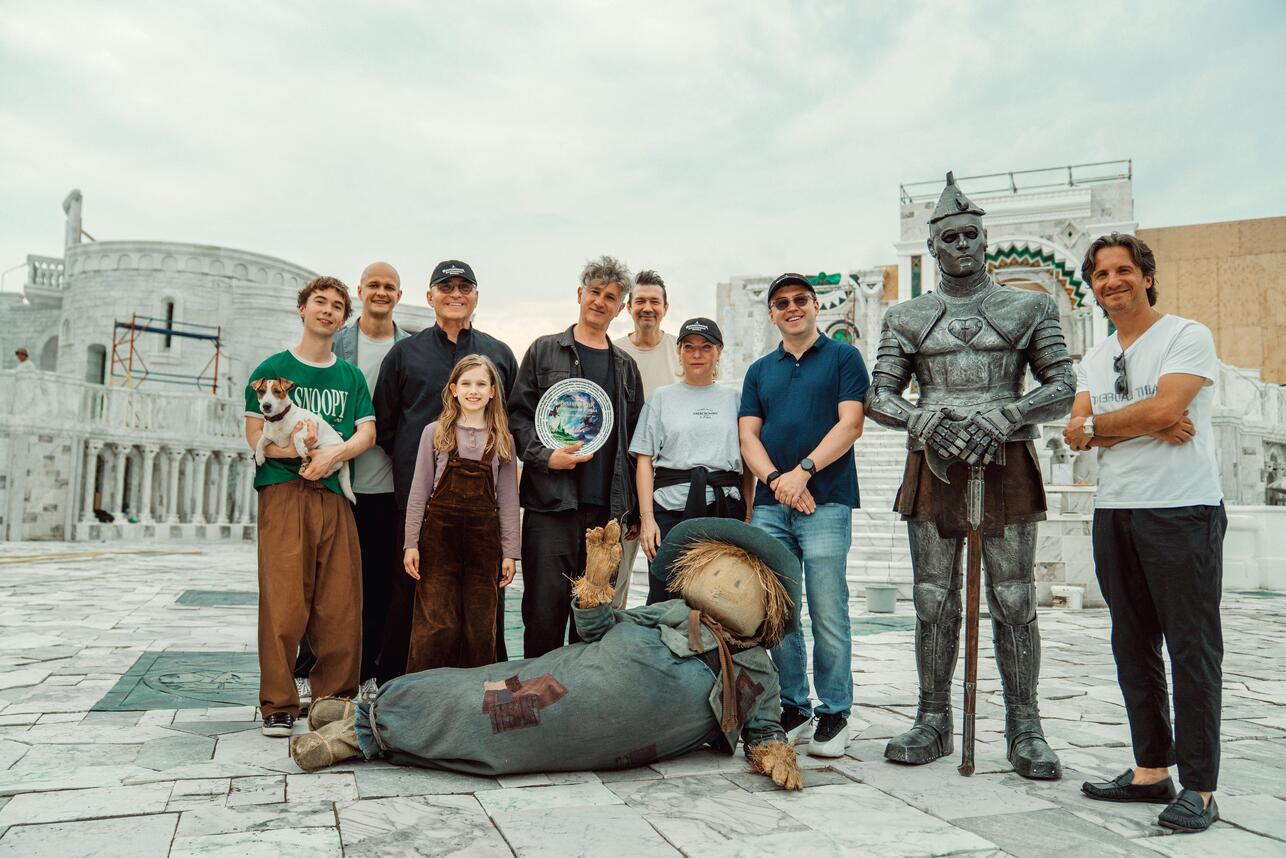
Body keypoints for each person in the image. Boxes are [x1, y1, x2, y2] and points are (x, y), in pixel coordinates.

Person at [289, 518, 805, 794]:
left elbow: (763, 729)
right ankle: (363, 720)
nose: (727, 586)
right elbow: (598, 628)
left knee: (502, 735)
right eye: (720, 573)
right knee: (485, 698)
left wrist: (774, 753)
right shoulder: (668, 612)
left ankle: (360, 730)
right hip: (564, 680)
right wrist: (595, 587)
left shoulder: (758, 670)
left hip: (601, 734)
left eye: (742, 584)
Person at [867, 173, 1074, 781]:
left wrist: (1008, 413)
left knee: (1014, 597)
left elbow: (1061, 385)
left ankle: (1025, 725)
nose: (961, 245)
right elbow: (881, 396)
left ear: (986, 241)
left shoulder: (1029, 306)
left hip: (1006, 458)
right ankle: (933, 718)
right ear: (932, 248)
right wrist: (925, 421)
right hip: (934, 460)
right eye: (950, 237)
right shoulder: (906, 316)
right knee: (933, 597)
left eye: (971, 235)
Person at [1064, 233, 1226, 833]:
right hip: (1117, 510)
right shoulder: (1096, 355)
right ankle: (1151, 771)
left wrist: (1111, 425)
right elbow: (1075, 432)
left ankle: (1202, 789)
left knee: (1191, 648)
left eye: (1123, 270)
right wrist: (1143, 421)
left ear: (1146, 277)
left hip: (1182, 509)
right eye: (1101, 274)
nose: (1113, 282)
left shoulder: (1186, 336)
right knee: (1132, 646)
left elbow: (1163, 411)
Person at [738, 273, 868, 758]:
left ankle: (835, 712)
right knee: (780, 613)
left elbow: (851, 423)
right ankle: (794, 706)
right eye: (781, 303)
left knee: (828, 609)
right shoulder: (759, 371)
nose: (791, 308)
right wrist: (777, 481)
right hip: (773, 507)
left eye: (800, 300)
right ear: (771, 313)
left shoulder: (843, 357)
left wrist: (804, 472)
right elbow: (749, 436)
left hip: (826, 500)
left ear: (815, 306)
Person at [372, 260, 517, 681]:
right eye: (446, 286)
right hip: (420, 503)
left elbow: (515, 423)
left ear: (475, 295)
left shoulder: (500, 354)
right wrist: (414, 466)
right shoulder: (405, 354)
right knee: (410, 600)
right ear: (430, 295)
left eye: (464, 287)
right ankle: (400, 689)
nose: (455, 293)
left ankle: (480, 690)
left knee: (482, 606)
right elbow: (386, 422)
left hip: (484, 517)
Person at [244, 275, 375, 737]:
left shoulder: (350, 376)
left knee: (340, 601)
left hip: (334, 496)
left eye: (338, 306)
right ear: (302, 308)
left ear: (344, 319)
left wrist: (332, 456)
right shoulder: (272, 368)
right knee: (283, 598)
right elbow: (255, 436)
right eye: (319, 302)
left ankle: (334, 701)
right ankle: (279, 703)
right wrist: (303, 455)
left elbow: (366, 433)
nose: (328, 310)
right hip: (283, 493)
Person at [508, 256, 644, 657]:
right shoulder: (543, 351)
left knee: (594, 620)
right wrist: (545, 456)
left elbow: (635, 442)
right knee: (543, 614)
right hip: (551, 508)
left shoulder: (627, 367)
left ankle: (583, 710)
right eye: (595, 292)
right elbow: (517, 416)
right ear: (580, 293)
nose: (601, 302)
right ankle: (537, 705)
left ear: (621, 308)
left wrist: (632, 512)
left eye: (611, 297)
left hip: (606, 515)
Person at [303, 261, 408, 695]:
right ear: (361, 292)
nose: (381, 292)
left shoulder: (409, 349)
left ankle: (371, 671)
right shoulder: (338, 341)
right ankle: (311, 667)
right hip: (334, 480)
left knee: (380, 582)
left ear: (398, 295)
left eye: (389, 287)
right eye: (374, 286)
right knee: (326, 583)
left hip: (385, 485)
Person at [402, 355, 519, 671]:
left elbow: (508, 500)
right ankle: (422, 696)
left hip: (484, 546)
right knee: (436, 625)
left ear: (493, 391)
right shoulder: (435, 432)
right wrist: (410, 543)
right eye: (466, 384)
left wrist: (510, 553)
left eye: (481, 384)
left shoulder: (503, 439)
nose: (473, 391)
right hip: (438, 542)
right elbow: (419, 492)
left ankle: (475, 701)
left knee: (480, 627)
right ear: (453, 389)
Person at [632, 317, 752, 603]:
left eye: (705, 347)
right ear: (680, 352)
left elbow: (747, 463)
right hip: (671, 510)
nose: (696, 354)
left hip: (724, 511)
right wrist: (647, 519)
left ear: (719, 352)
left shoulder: (735, 399)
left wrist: (747, 513)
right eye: (689, 347)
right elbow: (644, 461)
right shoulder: (661, 398)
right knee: (666, 596)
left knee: (719, 599)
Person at [607, 270, 684, 608]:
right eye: (640, 301)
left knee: (668, 587)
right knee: (612, 580)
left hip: (667, 484)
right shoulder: (612, 352)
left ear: (666, 308)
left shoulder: (681, 354)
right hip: (620, 483)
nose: (647, 308)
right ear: (628, 307)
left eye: (655, 301)